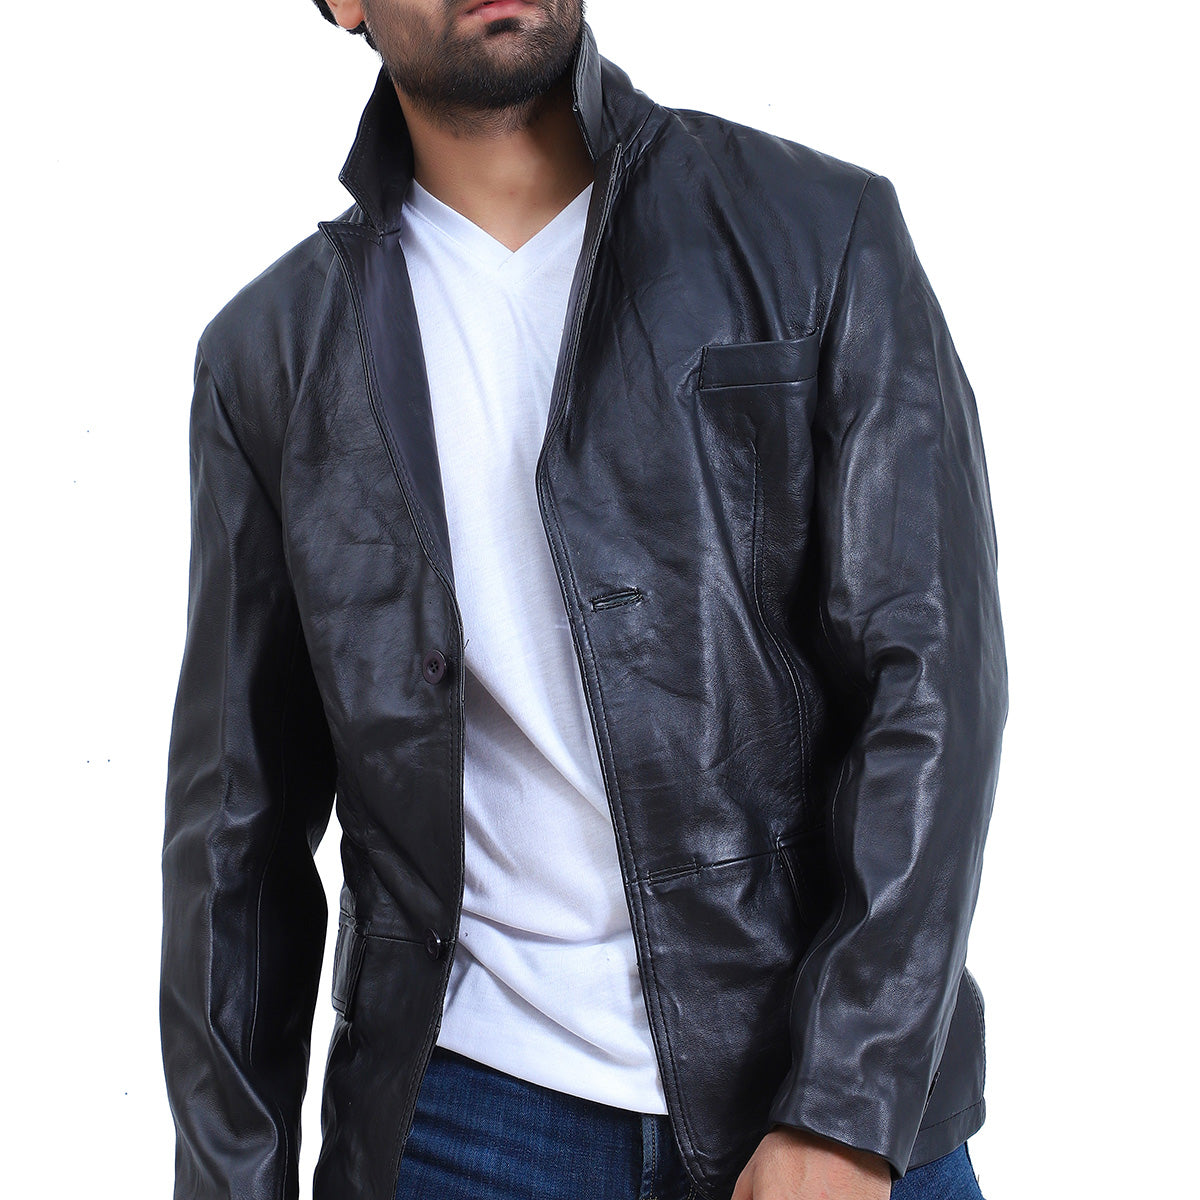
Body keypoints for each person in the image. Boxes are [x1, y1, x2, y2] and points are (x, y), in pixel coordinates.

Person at [159, 2, 1007, 1198]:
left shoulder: (821, 231)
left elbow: (934, 682)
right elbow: (236, 833)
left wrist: (847, 1103)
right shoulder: (271, 355)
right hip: (465, 1124)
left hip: (819, 1100)